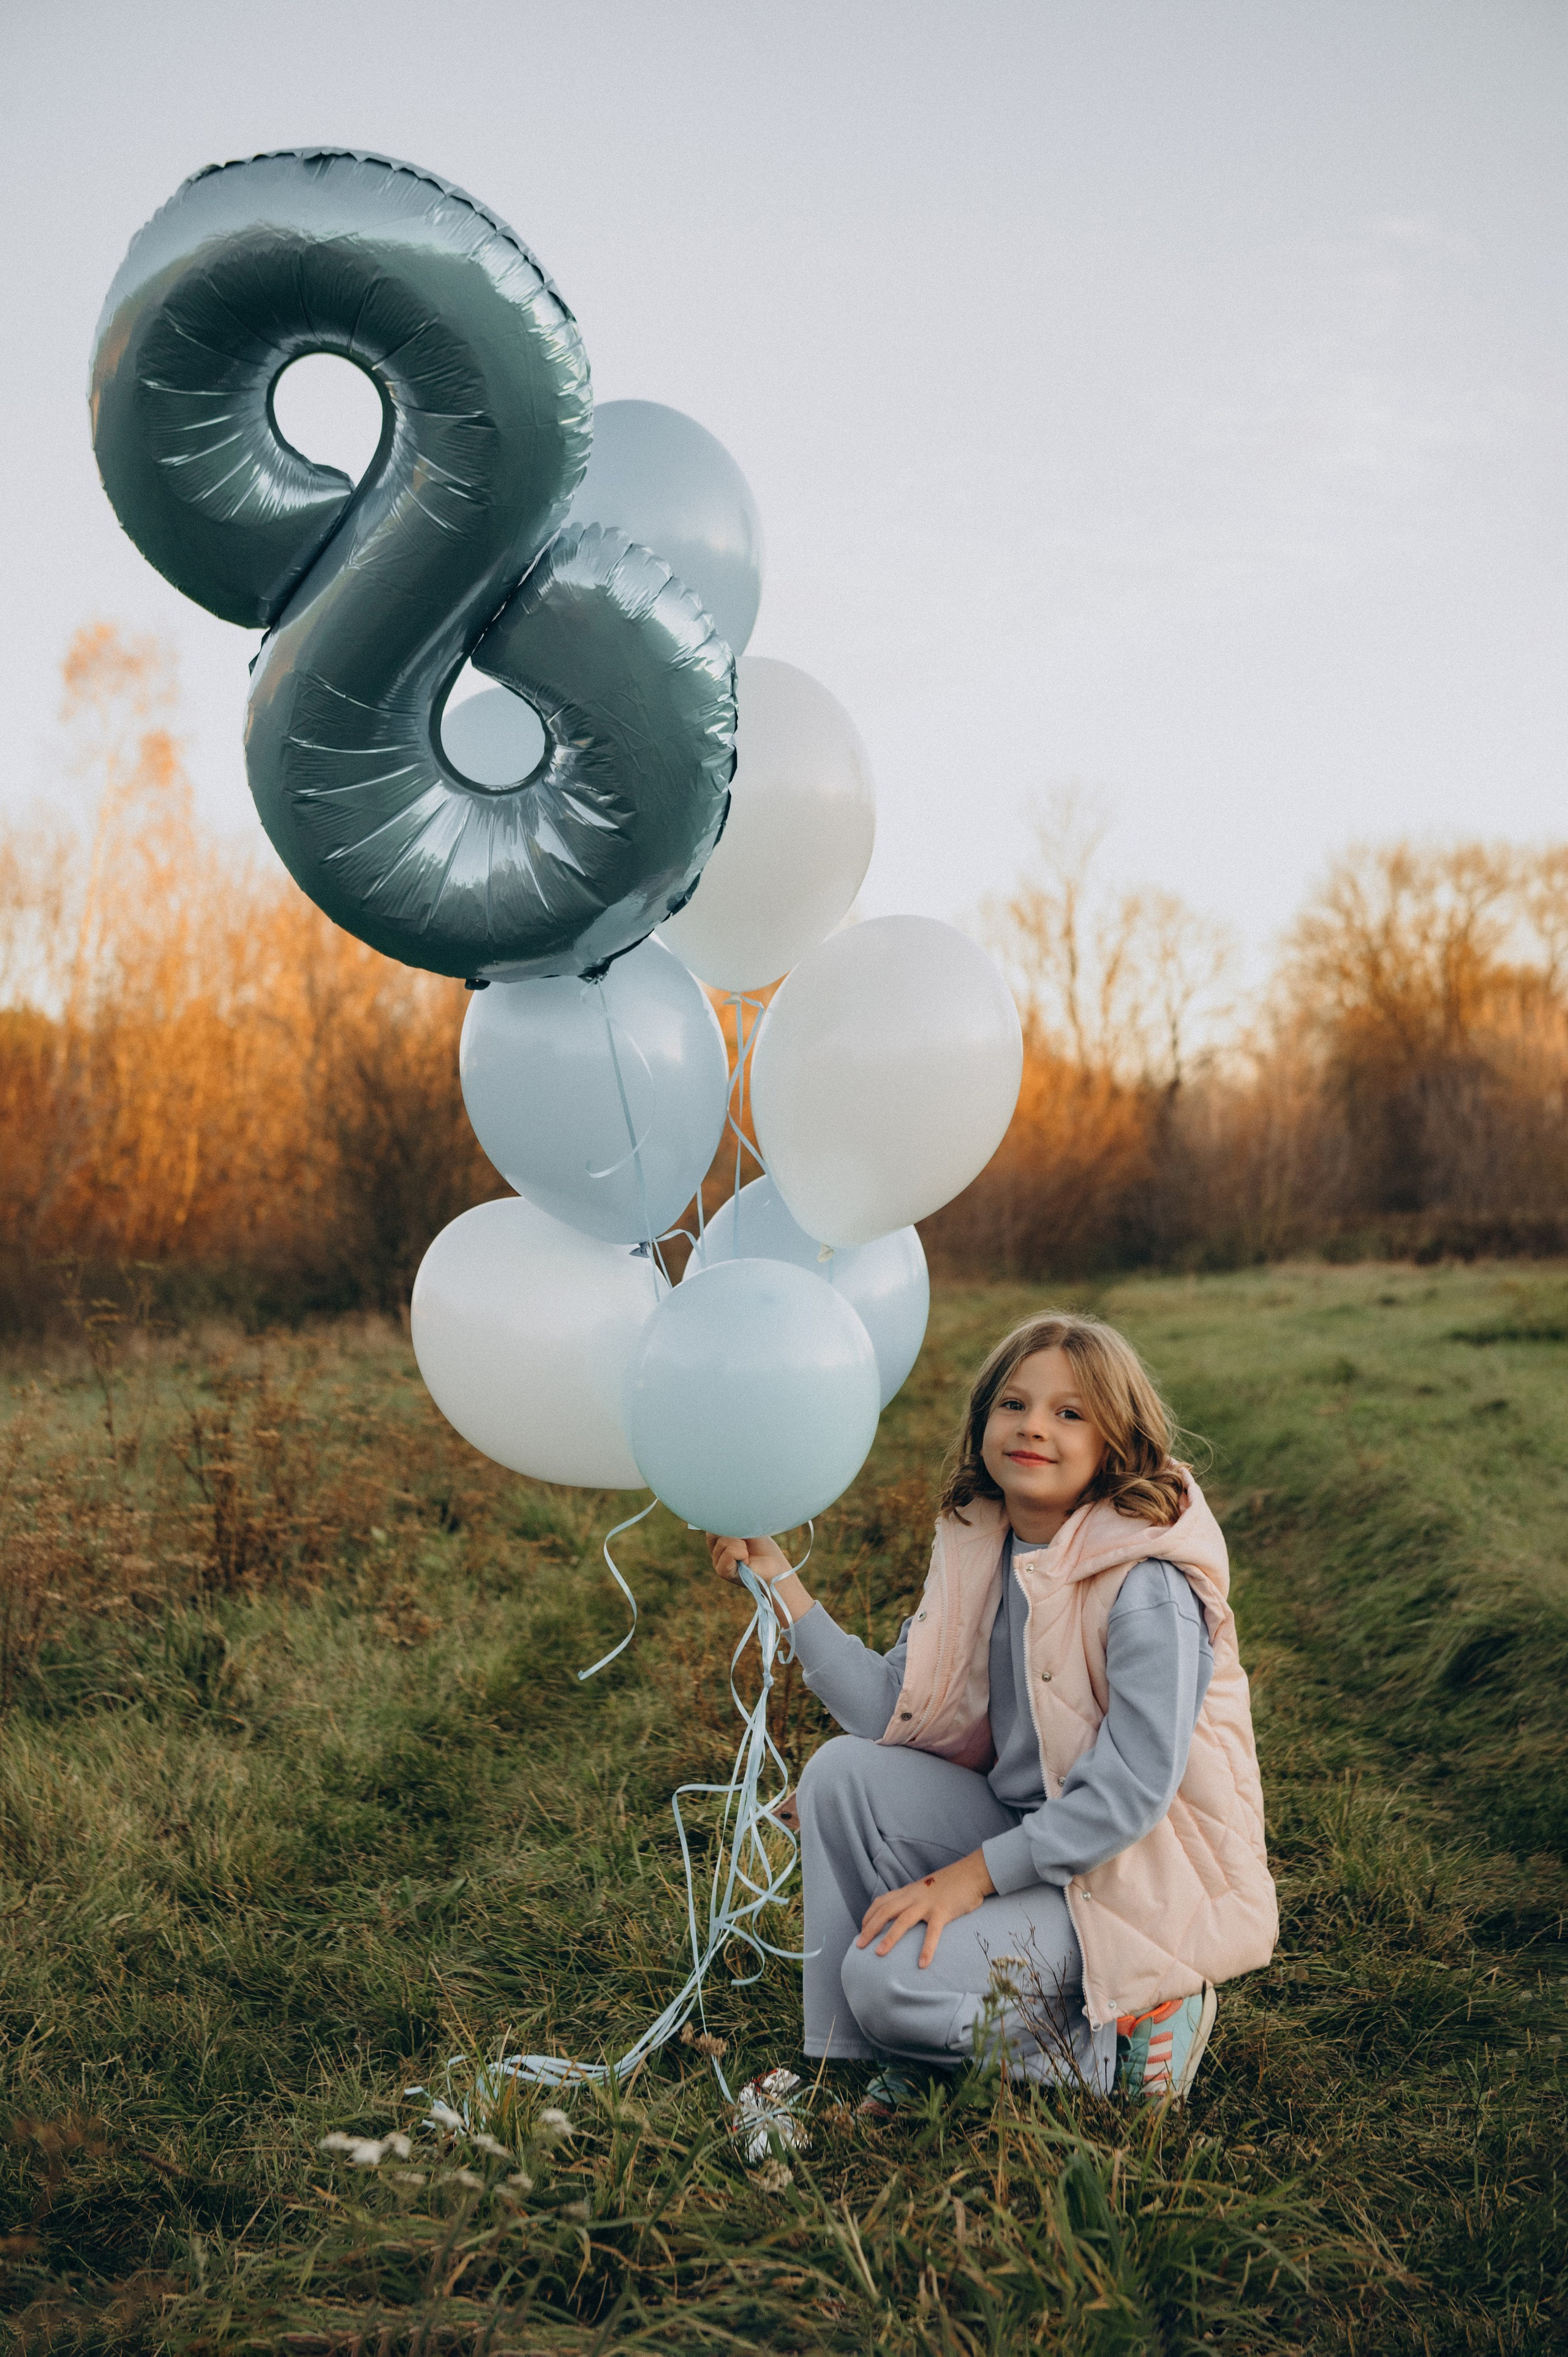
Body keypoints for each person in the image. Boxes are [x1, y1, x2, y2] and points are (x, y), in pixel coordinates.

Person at [707, 1312, 1277, 2111]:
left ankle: (1123, 2041)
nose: (1034, 1427)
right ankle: (871, 2056)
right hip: (1025, 1832)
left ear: (1117, 1444)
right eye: (1014, 1405)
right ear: (982, 1426)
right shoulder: (987, 1552)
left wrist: (967, 1882)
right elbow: (889, 1709)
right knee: (841, 1775)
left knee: (881, 1978)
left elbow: (1129, 1796)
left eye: (1069, 1413)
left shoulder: (1147, 1586)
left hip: (1131, 1880)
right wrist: (782, 1586)